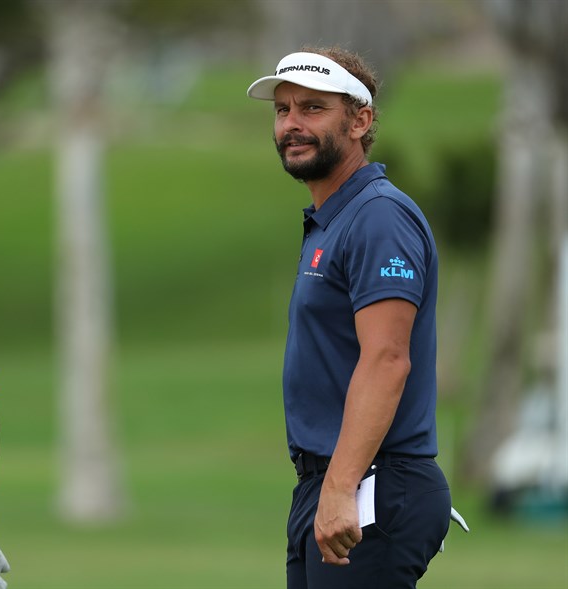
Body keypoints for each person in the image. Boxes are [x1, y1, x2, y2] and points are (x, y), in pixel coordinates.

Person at [247, 47, 452, 588]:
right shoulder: (333, 219)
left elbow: (386, 359)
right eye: (283, 109)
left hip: (371, 483)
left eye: (312, 109)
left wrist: (340, 487)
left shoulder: (377, 215)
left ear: (360, 121)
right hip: (331, 482)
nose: (291, 124)